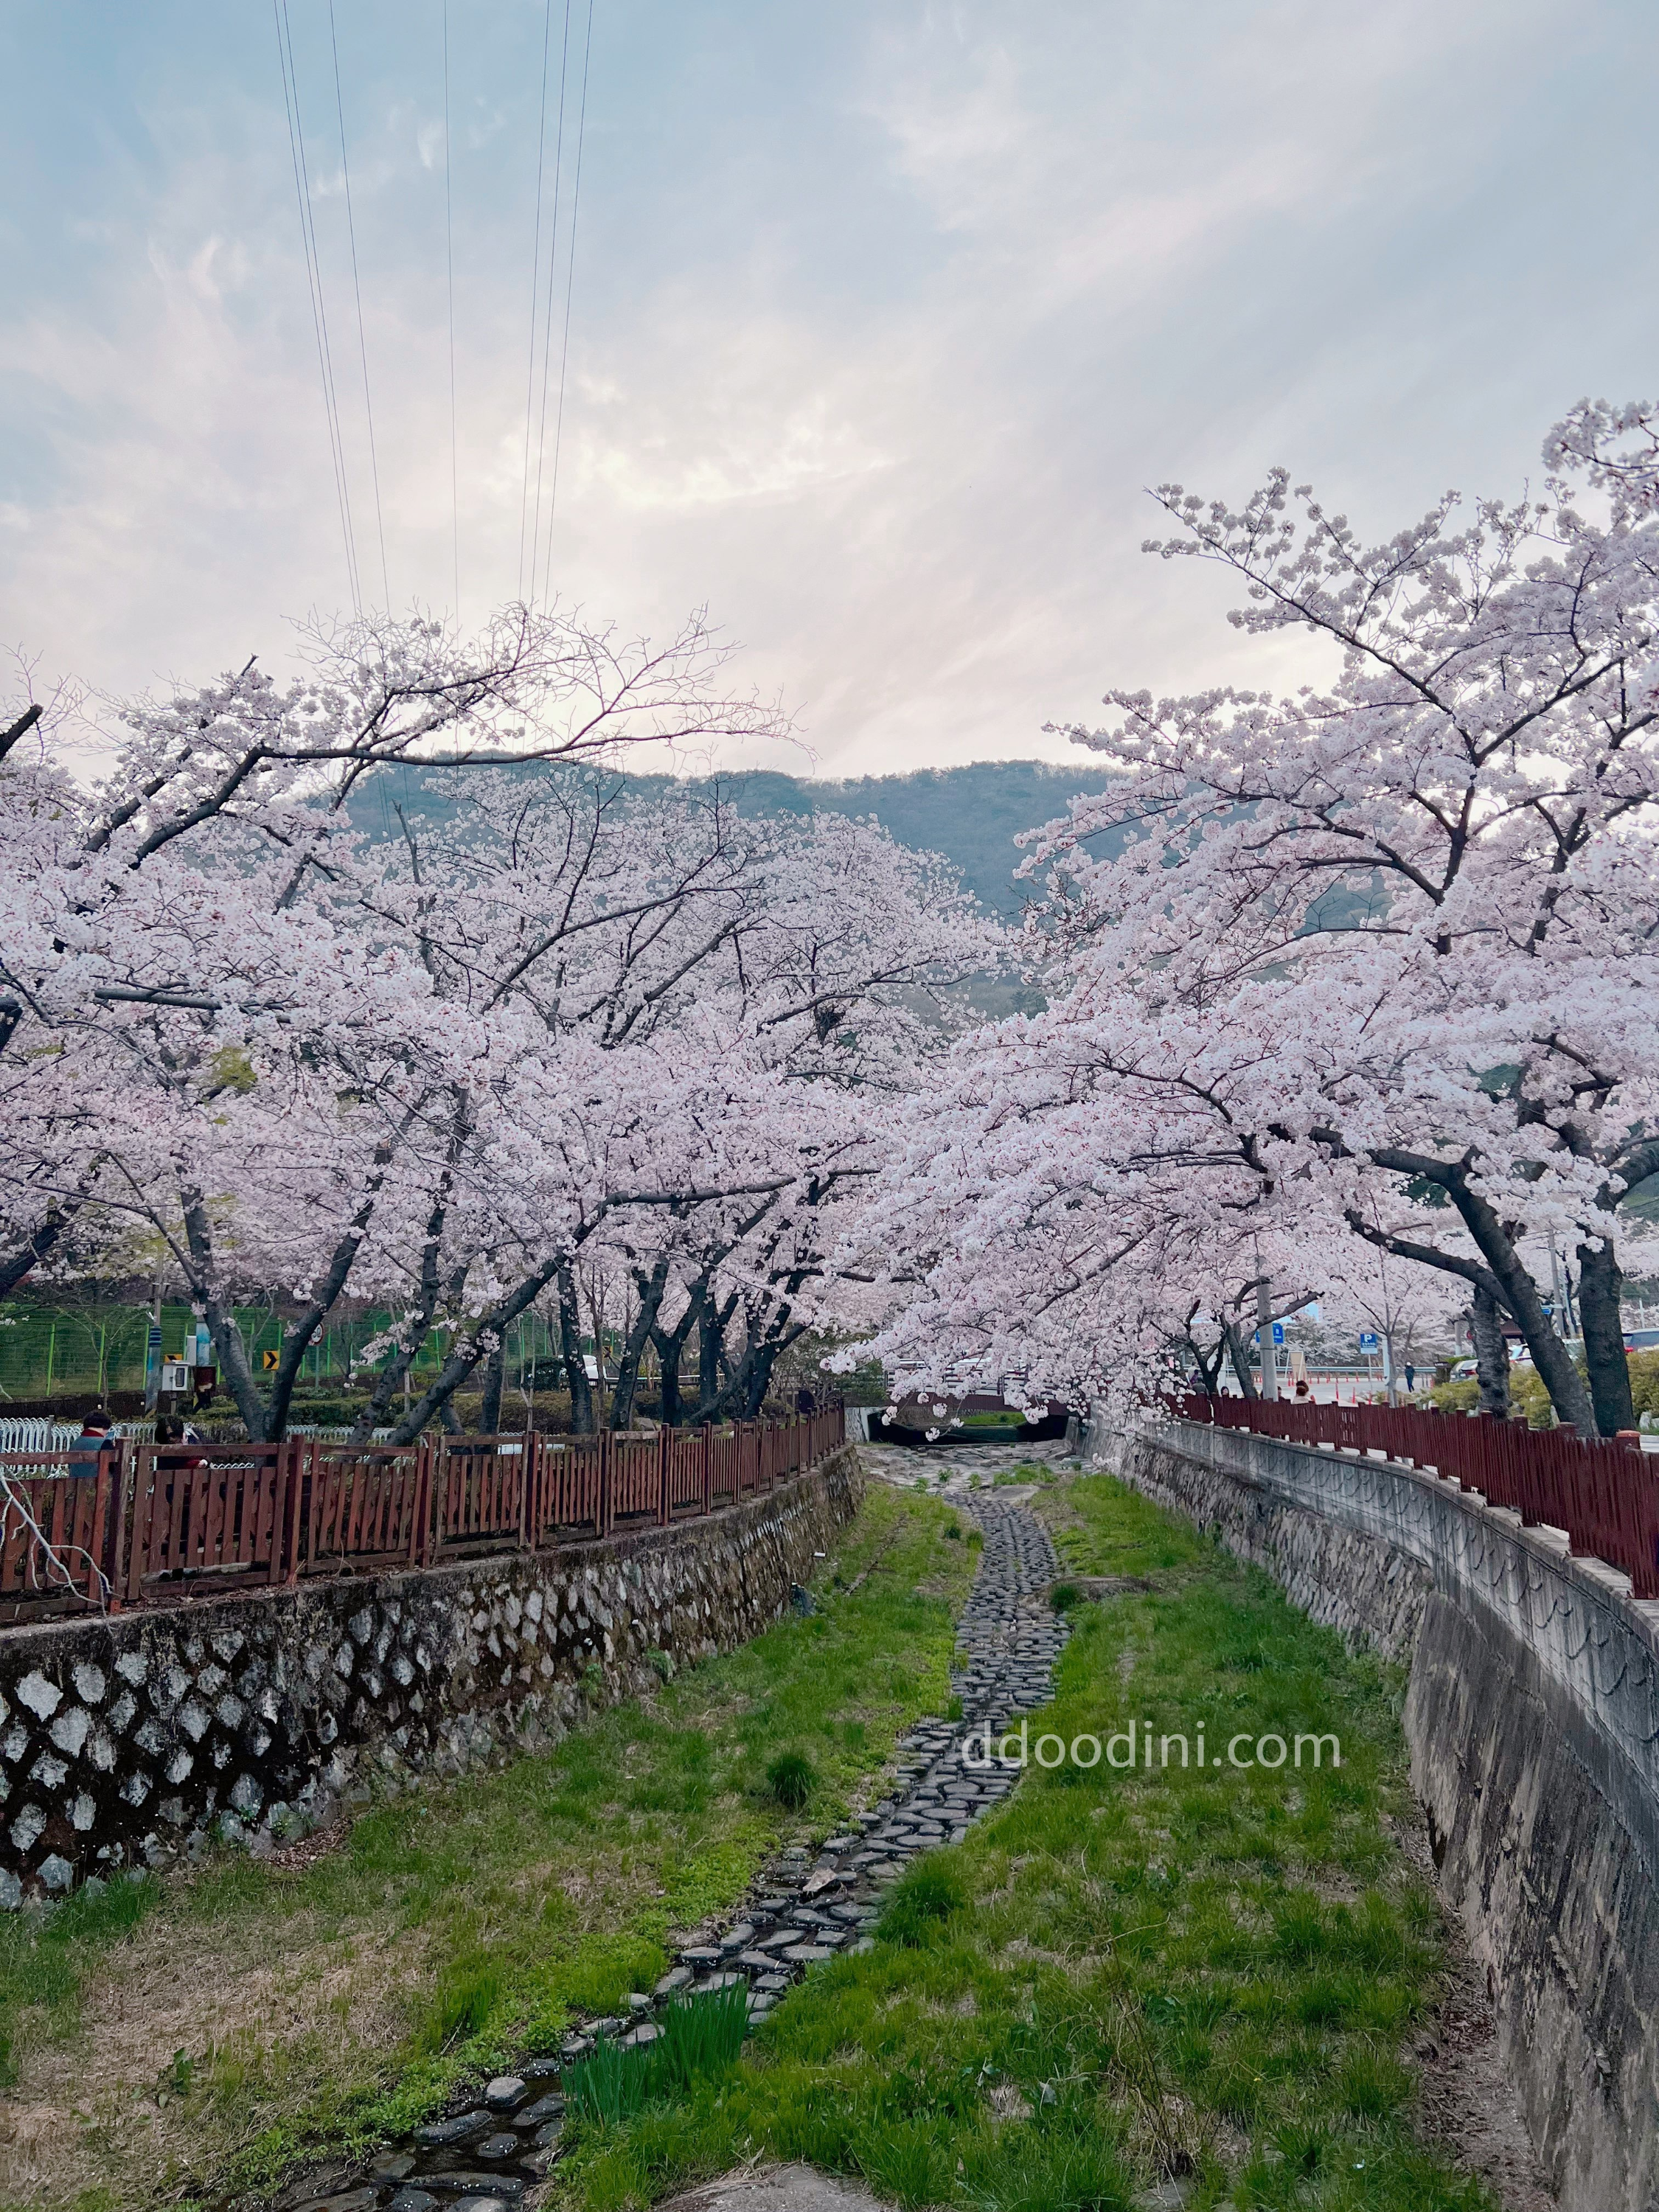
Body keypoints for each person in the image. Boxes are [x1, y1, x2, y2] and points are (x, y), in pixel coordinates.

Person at [65, 1408, 113, 1478]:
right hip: (97, 1483)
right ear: (105, 1427)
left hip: (74, 1483)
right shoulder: (105, 1443)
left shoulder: (75, 1443)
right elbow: (113, 1469)